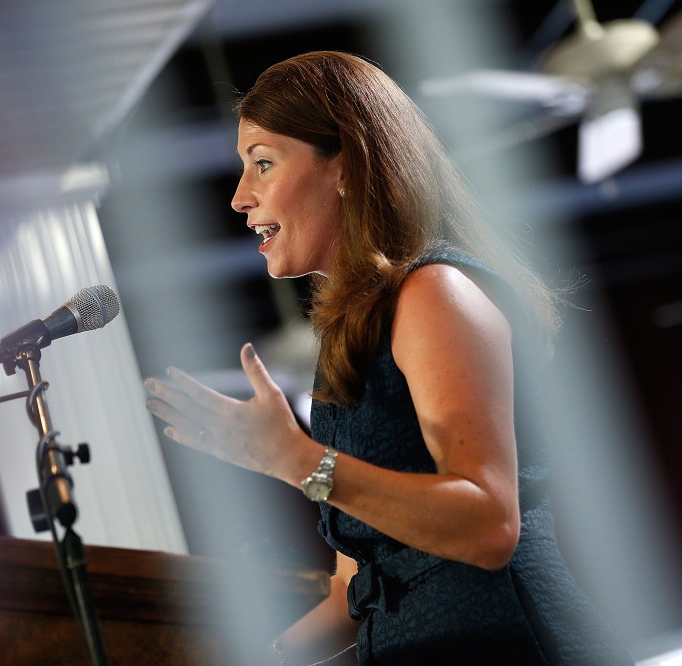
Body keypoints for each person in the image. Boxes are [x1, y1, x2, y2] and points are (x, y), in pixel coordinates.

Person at [144, 51, 633, 665]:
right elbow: (355, 586)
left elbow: (489, 526)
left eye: (263, 163)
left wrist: (296, 459)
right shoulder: (351, 339)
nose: (241, 197)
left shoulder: (434, 292)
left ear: (346, 167)